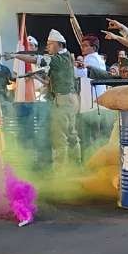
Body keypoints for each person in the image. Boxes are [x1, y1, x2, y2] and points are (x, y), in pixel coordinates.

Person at [13, 29, 81, 168]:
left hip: (63, 100)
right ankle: (76, 165)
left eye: (50, 44)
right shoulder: (65, 57)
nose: (48, 47)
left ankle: (61, 171)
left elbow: (36, 59)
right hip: (66, 99)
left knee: (59, 136)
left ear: (59, 45)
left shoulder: (59, 58)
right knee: (71, 134)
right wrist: (36, 76)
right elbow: (49, 82)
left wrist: (16, 55)